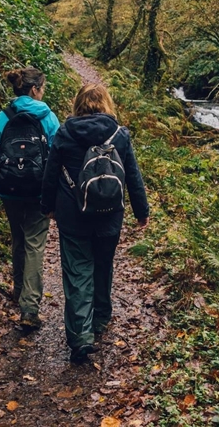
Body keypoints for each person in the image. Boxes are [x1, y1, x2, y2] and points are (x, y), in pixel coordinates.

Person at [41, 83, 149, 364]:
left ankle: (81, 338)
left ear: (78, 104)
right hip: (109, 215)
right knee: (103, 265)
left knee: (77, 273)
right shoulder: (120, 135)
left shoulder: (65, 133)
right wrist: (142, 212)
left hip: (73, 216)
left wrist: (48, 207)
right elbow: (133, 177)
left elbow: (51, 173)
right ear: (107, 104)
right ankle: (100, 319)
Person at [0, 66, 60, 330]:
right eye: (43, 88)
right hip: (39, 190)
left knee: (18, 238)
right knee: (35, 245)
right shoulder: (48, 117)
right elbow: (58, 153)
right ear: (35, 89)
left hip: (9, 189)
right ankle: (29, 308)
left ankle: (18, 291)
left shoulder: (2, 117)